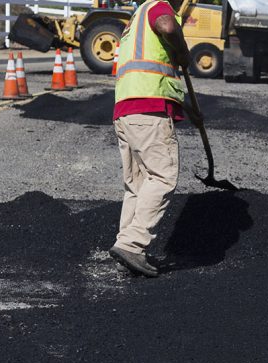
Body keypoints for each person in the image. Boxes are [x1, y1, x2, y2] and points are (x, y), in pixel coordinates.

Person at [108, 0, 200, 277]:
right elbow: (168, 26)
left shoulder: (134, 20)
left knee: (137, 184)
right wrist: (183, 52)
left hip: (126, 110)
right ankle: (132, 244)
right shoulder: (159, 6)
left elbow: (152, 74)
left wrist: (191, 110)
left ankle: (126, 244)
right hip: (148, 111)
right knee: (162, 176)